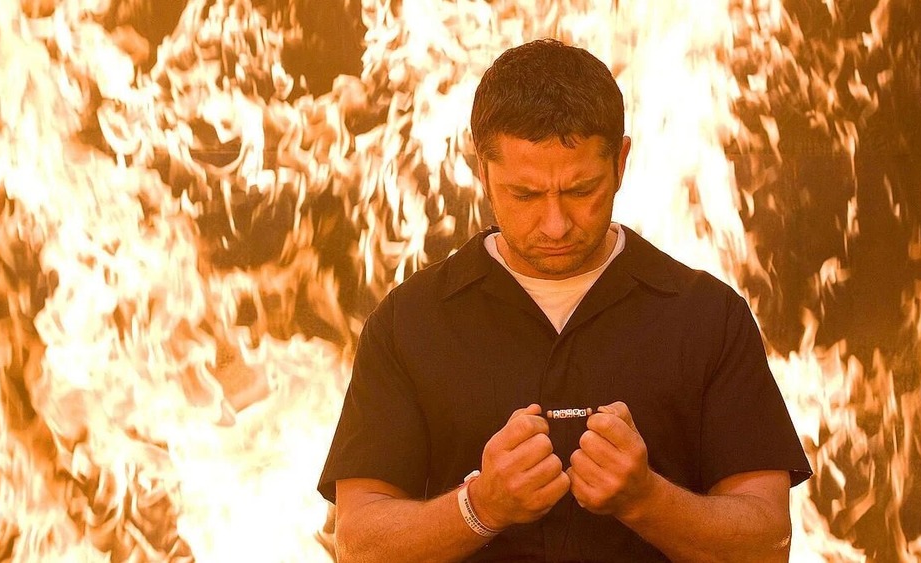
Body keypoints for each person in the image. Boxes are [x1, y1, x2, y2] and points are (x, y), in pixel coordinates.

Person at [317, 38, 812, 562]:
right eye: (525, 194)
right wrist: (479, 507)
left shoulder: (708, 317)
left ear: (621, 162)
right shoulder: (408, 322)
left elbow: (767, 543)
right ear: (482, 171)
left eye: (581, 190)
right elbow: (358, 545)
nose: (555, 225)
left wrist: (647, 500)